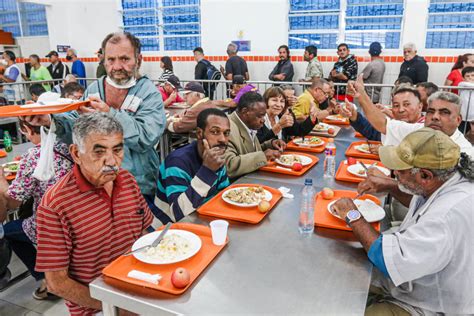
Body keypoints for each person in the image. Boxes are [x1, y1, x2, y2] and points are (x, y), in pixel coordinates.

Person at [333, 128, 474, 315]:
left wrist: (352, 215)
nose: (395, 174)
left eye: (400, 170)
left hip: (432, 303)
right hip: (422, 277)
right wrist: (390, 185)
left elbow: (385, 259)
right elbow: (423, 203)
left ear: (425, 175)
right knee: (345, 274)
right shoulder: (449, 180)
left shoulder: (445, 217)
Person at [24, 32, 166, 203]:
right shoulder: (94, 89)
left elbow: (146, 136)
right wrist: (51, 121)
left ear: (139, 59)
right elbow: (77, 127)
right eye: (111, 60)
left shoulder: (149, 93)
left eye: (124, 59)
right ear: (104, 60)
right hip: (96, 182)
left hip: (137, 185)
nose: (117, 66)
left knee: (136, 228)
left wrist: (109, 114)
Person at [35, 113, 154, 315]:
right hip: (95, 307)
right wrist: (116, 306)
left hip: (138, 288)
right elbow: (56, 283)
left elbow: (143, 234)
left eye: (117, 150)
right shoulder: (56, 205)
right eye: (98, 152)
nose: (111, 161)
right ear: (76, 154)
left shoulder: (127, 180)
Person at [0, 119, 73, 299]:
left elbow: (13, 201)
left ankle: (47, 279)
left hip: (52, 224)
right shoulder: (68, 145)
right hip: (74, 214)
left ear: (27, 129)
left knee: (8, 231)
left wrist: (1, 179)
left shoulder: (34, 155)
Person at [348, 74, 473, 153]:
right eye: (431, 111)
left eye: (444, 113)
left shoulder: (464, 152)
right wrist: (361, 95)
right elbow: (383, 124)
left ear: (458, 120)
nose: (435, 117)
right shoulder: (420, 129)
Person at [155, 108, 230, 223]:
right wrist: (207, 171)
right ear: (200, 133)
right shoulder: (178, 161)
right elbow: (178, 213)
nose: (222, 139)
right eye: (215, 132)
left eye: (226, 133)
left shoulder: (215, 155)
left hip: (204, 219)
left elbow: (223, 195)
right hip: (169, 229)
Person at [224, 92, 287, 178]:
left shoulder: (247, 123)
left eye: (264, 116)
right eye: (260, 116)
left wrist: (270, 144)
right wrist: (263, 156)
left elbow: (249, 150)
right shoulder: (227, 128)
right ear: (245, 111)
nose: (263, 120)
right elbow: (229, 166)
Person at [342, 86, 424, 141]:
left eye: (406, 104)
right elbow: (374, 132)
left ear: (420, 106)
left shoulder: (423, 128)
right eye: (396, 105)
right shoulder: (397, 126)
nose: (401, 109)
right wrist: (353, 114)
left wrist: (361, 95)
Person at [257, 87, 326, 143]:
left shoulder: (281, 116)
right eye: (274, 100)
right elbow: (260, 143)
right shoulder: (258, 119)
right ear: (266, 101)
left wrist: (312, 116)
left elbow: (299, 131)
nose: (278, 105)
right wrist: (279, 126)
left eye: (282, 101)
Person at [458, 66, 474, 134]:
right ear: (463, 78)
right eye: (468, 76)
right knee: (460, 132)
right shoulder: (462, 84)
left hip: (472, 114)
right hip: (464, 115)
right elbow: (469, 85)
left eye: (473, 75)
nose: (471, 77)